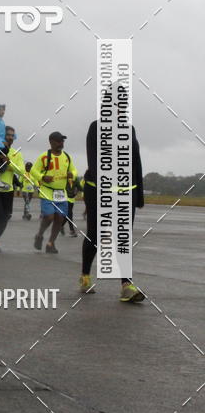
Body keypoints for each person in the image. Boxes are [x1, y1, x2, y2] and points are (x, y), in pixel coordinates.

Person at [80, 116, 145, 302]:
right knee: (95, 235)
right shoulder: (96, 127)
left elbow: (136, 160)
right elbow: (94, 160)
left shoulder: (129, 129)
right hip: (97, 190)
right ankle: (85, 276)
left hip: (126, 192)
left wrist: (139, 193)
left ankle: (126, 285)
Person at [31, 132, 78, 255]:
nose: (61, 143)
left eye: (62, 141)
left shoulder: (67, 157)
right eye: (58, 141)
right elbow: (33, 171)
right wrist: (42, 177)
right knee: (49, 216)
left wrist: (72, 174)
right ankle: (39, 235)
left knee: (60, 218)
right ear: (51, 142)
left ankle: (50, 243)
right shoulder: (44, 156)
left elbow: (74, 170)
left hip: (61, 193)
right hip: (47, 191)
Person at [0, 126, 26, 253]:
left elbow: (21, 171)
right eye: (8, 135)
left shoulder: (16, 153)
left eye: (12, 135)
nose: (10, 137)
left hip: (7, 189)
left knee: (6, 216)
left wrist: (9, 163)